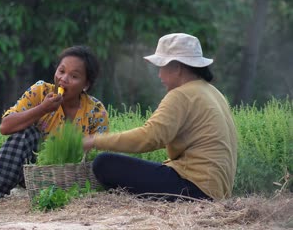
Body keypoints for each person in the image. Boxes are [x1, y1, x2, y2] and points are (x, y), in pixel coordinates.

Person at [83, 33, 237, 201]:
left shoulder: (181, 95)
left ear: (177, 67)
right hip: (214, 190)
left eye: (161, 67)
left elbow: (150, 137)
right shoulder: (213, 92)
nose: (159, 75)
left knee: (104, 164)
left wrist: (95, 140)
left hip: (195, 189)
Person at [0, 45, 110, 204]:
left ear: (86, 85)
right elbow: (5, 127)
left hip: (71, 176)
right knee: (25, 133)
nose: (63, 79)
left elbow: (100, 155)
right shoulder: (40, 91)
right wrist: (42, 109)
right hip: (33, 173)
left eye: (74, 76)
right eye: (61, 71)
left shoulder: (96, 110)